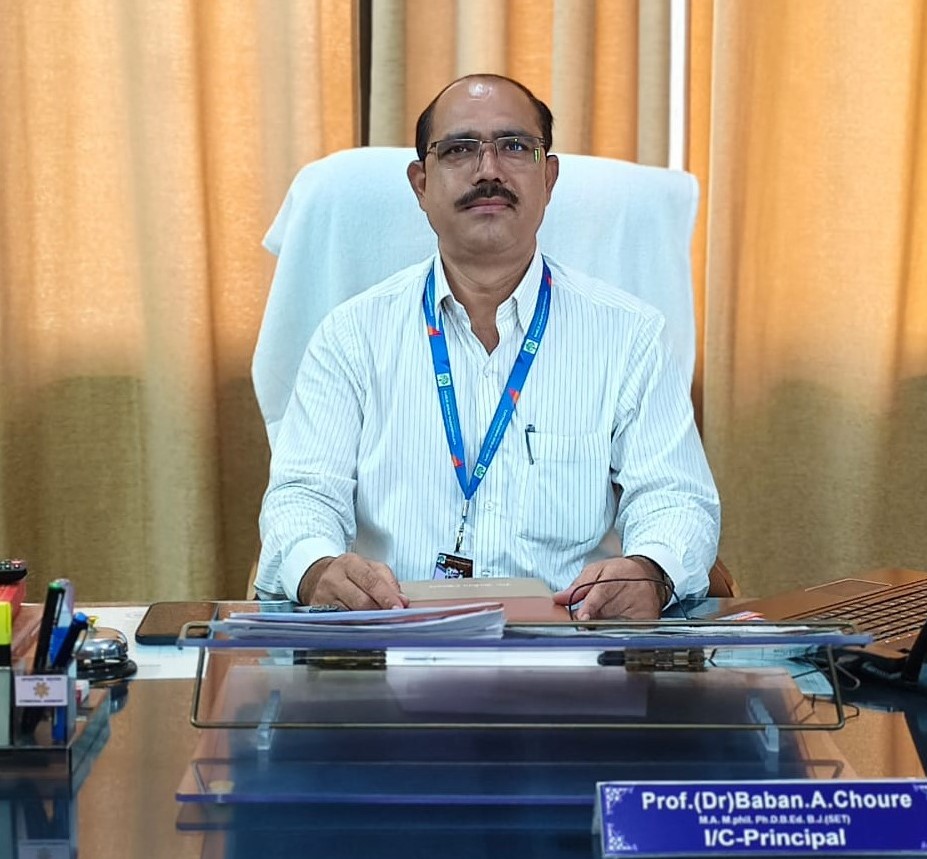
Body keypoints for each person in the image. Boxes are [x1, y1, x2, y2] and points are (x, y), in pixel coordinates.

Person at [254, 74, 720, 620]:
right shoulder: (351, 336)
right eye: (459, 149)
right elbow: (303, 495)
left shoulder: (629, 336)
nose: (489, 170)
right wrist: (316, 567)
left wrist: (651, 567)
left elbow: (674, 497)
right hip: (394, 639)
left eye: (515, 146)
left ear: (549, 178)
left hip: (573, 644)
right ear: (421, 185)